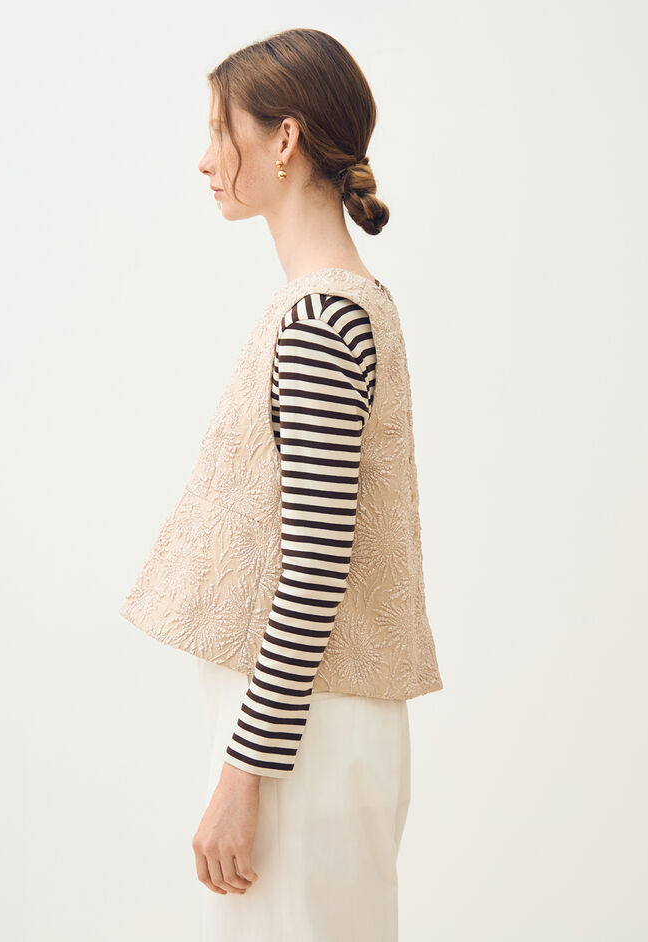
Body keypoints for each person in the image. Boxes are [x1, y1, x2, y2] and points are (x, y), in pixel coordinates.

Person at [120, 26, 443, 941]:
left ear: (285, 139)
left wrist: (239, 776)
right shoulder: (337, 306)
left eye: (218, 130)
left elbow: (314, 565)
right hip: (310, 733)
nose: (204, 160)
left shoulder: (320, 320)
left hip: (298, 746)